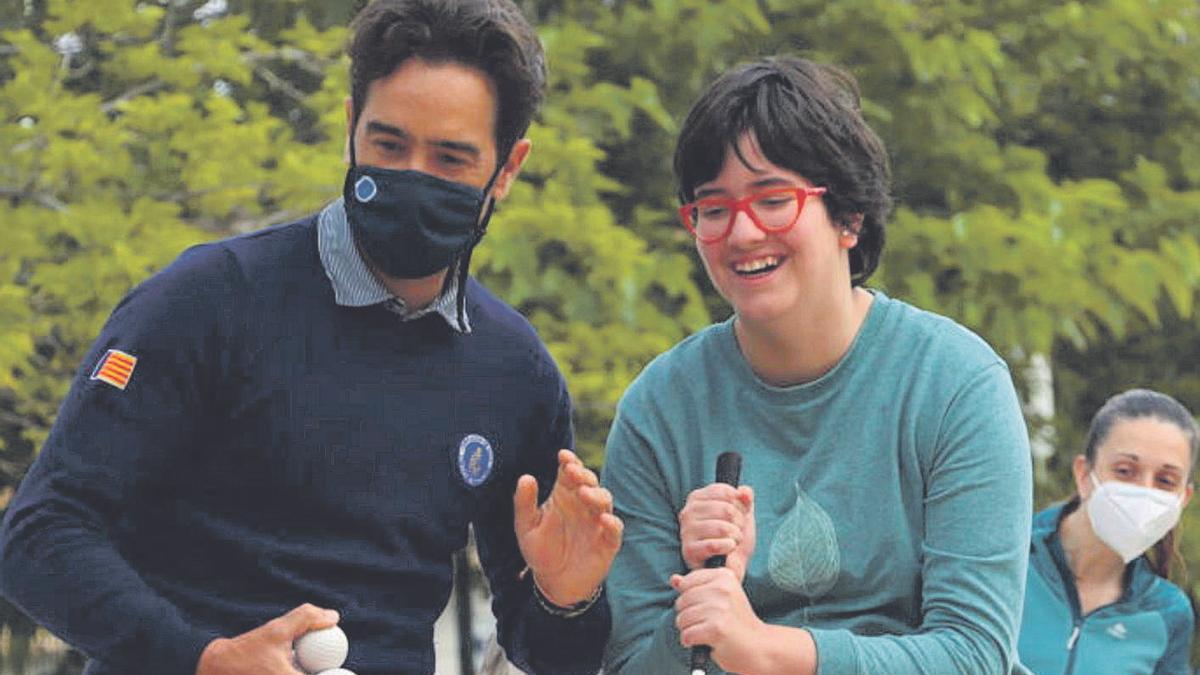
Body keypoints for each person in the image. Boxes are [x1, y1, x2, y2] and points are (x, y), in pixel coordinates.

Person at [0, 1, 623, 673]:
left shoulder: (516, 373)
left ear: (507, 167)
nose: (412, 175)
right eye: (389, 145)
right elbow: (40, 534)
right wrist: (204, 658)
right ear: (350, 126)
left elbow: (556, 655)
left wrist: (568, 598)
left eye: (450, 158)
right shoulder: (207, 299)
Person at [600, 55, 1034, 674]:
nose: (742, 234)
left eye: (773, 199)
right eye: (713, 208)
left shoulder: (955, 384)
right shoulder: (660, 407)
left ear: (849, 217)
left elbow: (973, 654)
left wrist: (765, 650)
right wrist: (693, 611)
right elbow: (629, 667)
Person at [1017, 389, 1196, 674]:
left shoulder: (1168, 612)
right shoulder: (1007, 558)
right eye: (1125, 471)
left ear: (1183, 499)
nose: (1144, 490)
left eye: (1165, 480)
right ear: (1084, 474)